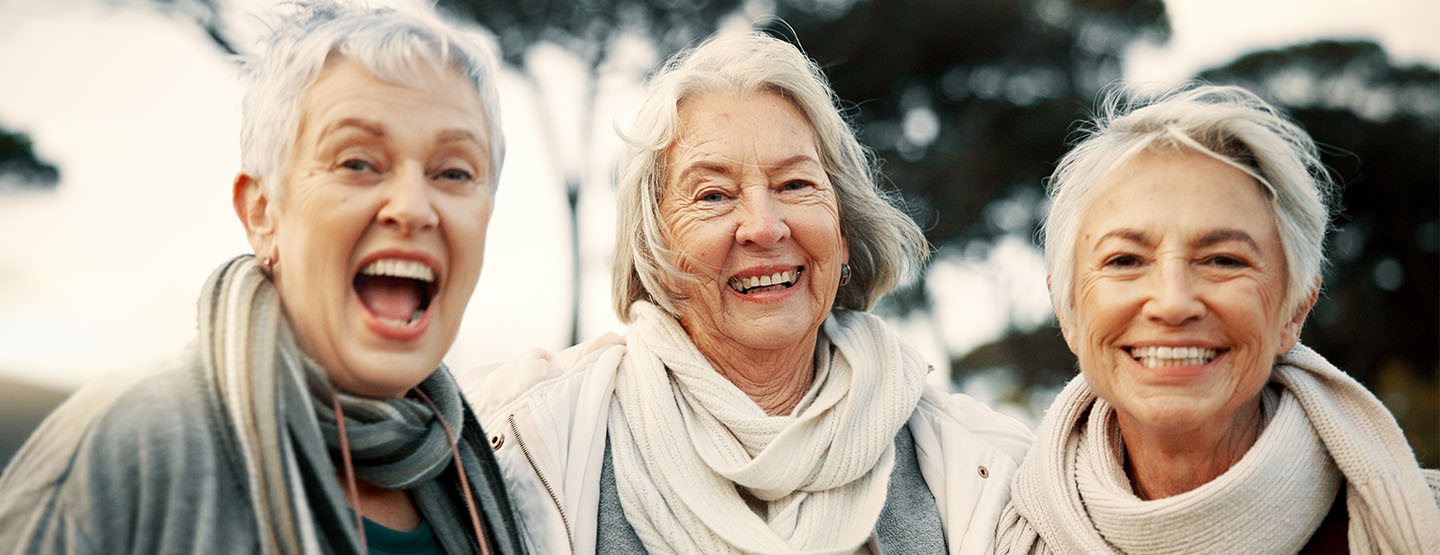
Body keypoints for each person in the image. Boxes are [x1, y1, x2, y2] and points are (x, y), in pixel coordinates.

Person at [462, 31, 1032, 554]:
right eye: (713, 195)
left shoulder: (987, 467)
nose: (764, 226)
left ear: (844, 231)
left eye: (795, 184)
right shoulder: (519, 441)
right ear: (654, 247)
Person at [0, 2, 526, 553]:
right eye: (357, 162)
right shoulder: (121, 448)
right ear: (262, 213)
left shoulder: (491, 481)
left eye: (453, 172)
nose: (413, 207)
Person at [994, 84, 1440, 553]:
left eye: (1223, 260)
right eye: (1125, 260)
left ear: (1295, 310)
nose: (1172, 302)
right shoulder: (987, 532)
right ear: (1068, 311)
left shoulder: (1420, 526)